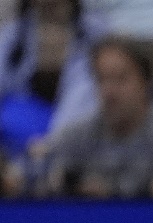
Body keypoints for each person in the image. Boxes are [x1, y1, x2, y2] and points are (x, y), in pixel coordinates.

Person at [41, 36, 153, 197]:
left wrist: (108, 196)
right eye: (102, 79)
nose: (109, 92)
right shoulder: (75, 134)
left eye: (120, 79)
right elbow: (51, 180)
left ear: (146, 82)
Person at [0, 0, 103, 161]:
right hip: (20, 140)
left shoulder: (97, 34)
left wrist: (56, 142)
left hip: (78, 136)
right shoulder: (13, 35)